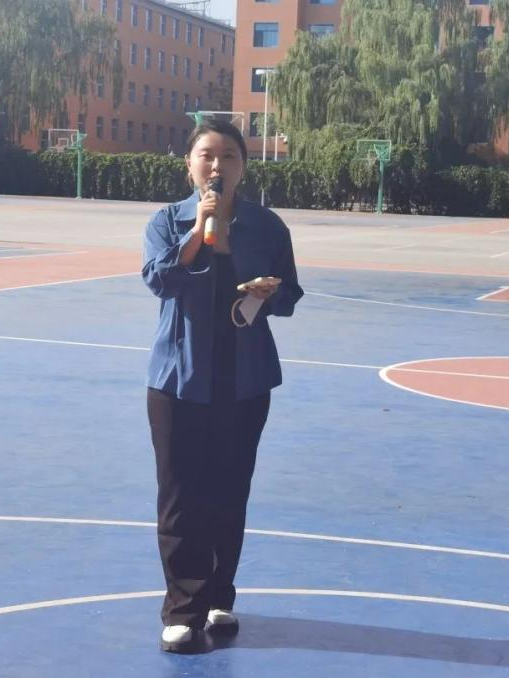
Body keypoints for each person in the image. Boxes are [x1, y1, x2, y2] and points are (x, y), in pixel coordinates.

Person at [142, 119, 303, 654]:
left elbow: (290, 295)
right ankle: (181, 611)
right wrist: (198, 233)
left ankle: (218, 595)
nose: (217, 165)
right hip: (179, 379)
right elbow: (158, 280)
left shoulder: (267, 227)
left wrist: (269, 291)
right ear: (189, 165)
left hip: (245, 378)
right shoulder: (167, 221)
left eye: (229, 156)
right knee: (180, 496)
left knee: (230, 491)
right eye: (207, 155)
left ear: (243, 167)